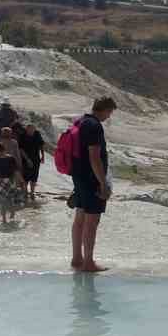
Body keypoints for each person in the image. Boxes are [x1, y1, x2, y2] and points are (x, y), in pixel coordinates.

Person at [70, 97, 116, 273]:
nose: (109, 116)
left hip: (79, 177)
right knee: (92, 221)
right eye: (109, 112)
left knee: (80, 217)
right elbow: (94, 156)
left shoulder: (81, 121)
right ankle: (88, 262)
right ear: (104, 109)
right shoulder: (94, 125)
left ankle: (77, 258)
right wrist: (102, 183)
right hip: (91, 180)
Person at [0, 142, 20, 225]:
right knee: (10, 199)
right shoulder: (11, 158)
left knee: (1, 201)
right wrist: (19, 182)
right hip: (9, 181)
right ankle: (12, 215)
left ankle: (4, 219)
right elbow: (16, 171)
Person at [18, 121, 45, 198]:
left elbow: (41, 145)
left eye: (32, 130)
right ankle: (25, 192)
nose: (31, 132)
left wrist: (43, 156)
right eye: (29, 130)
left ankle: (32, 192)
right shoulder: (22, 136)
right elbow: (21, 149)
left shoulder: (37, 134)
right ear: (26, 129)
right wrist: (27, 159)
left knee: (34, 176)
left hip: (36, 159)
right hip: (25, 159)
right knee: (26, 176)